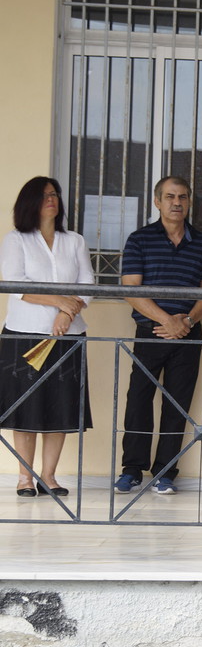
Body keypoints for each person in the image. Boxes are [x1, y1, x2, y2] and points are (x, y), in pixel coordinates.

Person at [117, 176, 202, 496]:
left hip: (189, 333)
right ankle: (131, 470)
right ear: (157, 202)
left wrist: (185, 321)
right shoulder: (139, 239)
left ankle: (164, 473)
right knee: (139, 400)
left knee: (177, 405)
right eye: (170, 196)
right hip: (150, 331)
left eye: (183, 197)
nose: (177, 202)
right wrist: (166, 321)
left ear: (189, 202)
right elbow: (131, 289)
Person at [0, 177, 93, 497]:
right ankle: (24, 478)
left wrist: (68, 312)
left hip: (69, 335)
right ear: (29, 202)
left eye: (54, 194)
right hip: (24, 334)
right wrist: (60, 302)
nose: (51, 199)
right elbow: (16, 284)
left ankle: (49, 477)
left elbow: (87, 284)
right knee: (25, 408)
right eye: (43, 196)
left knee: (60, 406)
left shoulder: (75, 241)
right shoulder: (16, 239)